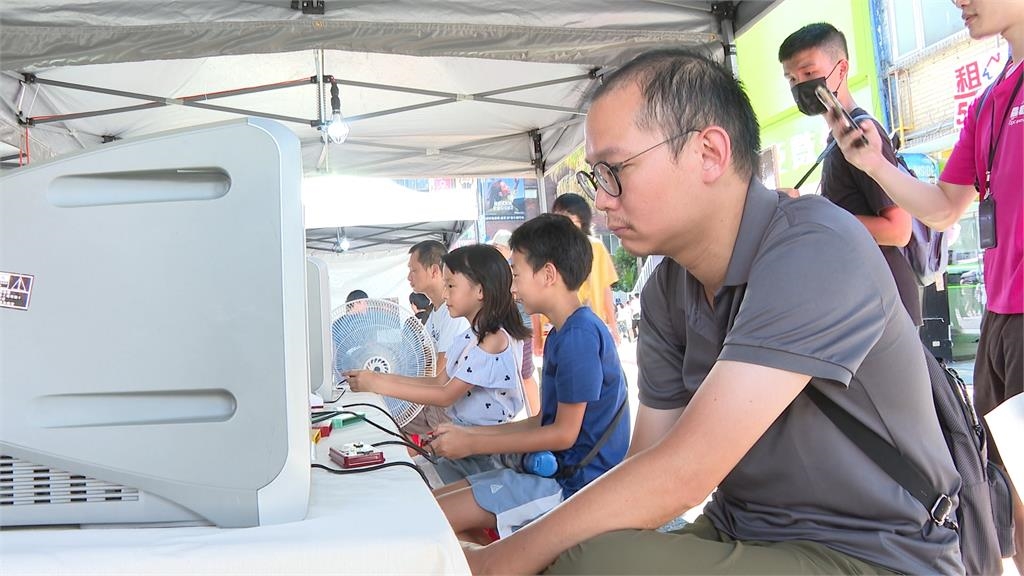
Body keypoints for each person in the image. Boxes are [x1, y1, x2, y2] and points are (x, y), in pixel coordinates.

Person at [465, 48, 962, 575]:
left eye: (614, 170)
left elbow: (685, 473)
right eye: (596, 177)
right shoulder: (667, 290)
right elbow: (648, 463)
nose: (603, 199)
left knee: (589, 565)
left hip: (876, 552)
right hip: (743, 529)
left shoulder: (815, 245)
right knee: (570, 551)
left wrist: (494, 563)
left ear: (709, 152)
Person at [826, 0, 1024, 569]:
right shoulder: (991, 99)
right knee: (1011, 494)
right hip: (1001, 324)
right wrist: (875, 166)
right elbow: (942, 207)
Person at [429, 214, 629, 541]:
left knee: (433, 519)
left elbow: (563, 434)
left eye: (517, 274)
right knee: (434, 507)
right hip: (551, 472)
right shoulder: (564, 333)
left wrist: (474, 441)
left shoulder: (579, 336)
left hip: (571, 486)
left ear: (548, 274)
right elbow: (541, 421)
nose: (512, 287)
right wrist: (471, 436)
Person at [347, 244, 532, 479]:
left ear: (480, 291)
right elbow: (438, 381)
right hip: (463, 442)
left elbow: (446, 395)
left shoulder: (494, 339)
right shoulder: (470, 337)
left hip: (482, 453)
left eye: (451, 286)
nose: (445, 295)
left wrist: (377, 384)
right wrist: (379, 378)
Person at [779, 23, 921, 328]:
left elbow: (898, 230)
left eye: (808, 72)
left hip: (887, 309)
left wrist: (814, 215)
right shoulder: (836, 141)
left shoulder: (861, 136)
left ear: (841, 69)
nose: (799, 85)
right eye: (791, 78)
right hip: (867, 304)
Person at [401, 240, 472, 435]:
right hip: (435, 400)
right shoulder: (434, 314)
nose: (408, 277)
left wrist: (389, 384)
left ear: (434, 271)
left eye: (413, 270)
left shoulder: (452, 315)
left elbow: (439, 375)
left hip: (446, 406)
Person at [551, 193, 621, 345]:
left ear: (582, 222)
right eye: (559, 219)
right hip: (556, 329)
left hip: (591, 329)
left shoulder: (596, 247)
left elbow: (605, 289)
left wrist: (613, 327)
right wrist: (537, 334)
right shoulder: (546, 250)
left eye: (571, 221)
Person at [490, 228, 541, 416]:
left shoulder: (515, 268)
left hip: (519, 326)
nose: (496, 250)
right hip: (506, 327)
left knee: (525, 375)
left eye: (499, 247)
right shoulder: (498, 268)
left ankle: (535, 418)